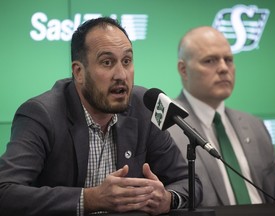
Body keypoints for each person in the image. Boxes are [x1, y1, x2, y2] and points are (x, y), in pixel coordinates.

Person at [0, 17, 203, 216]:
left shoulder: (144, 107)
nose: (121, 75)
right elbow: (5, 191)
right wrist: (89, 199)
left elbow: (189, 182)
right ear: (78, 72)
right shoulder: (42, 114)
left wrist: (168, 199)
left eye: (126, 61)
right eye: (107, 62)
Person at [168, 26, 275, 207]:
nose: (224, 68)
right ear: (183, 70)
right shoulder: (167, 127)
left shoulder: (255, 126)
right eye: (210, 61)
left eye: (229, 60)